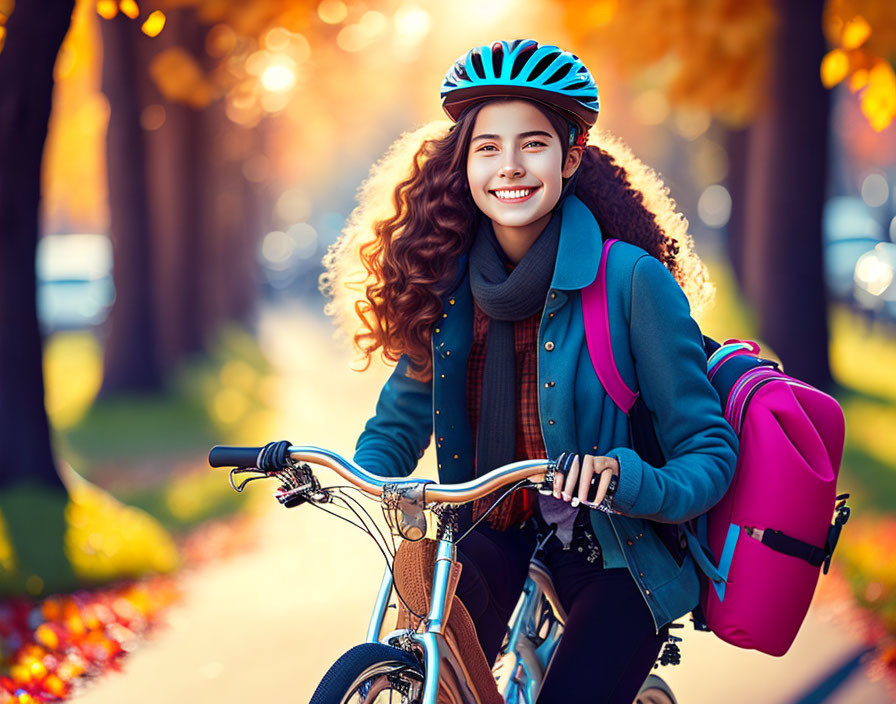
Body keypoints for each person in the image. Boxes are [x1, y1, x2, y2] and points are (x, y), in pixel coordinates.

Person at [322, 39, 738, 704]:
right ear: (464, 162)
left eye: (533, 145)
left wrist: (623, 476)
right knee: (432, 658)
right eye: (488, 147)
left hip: (615, 549)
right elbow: (397, 423)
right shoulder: (446, 283)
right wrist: (367, 480)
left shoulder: (631, 283)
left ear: (572, 155)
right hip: (491, 527)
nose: (508, 167)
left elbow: (710, 451)